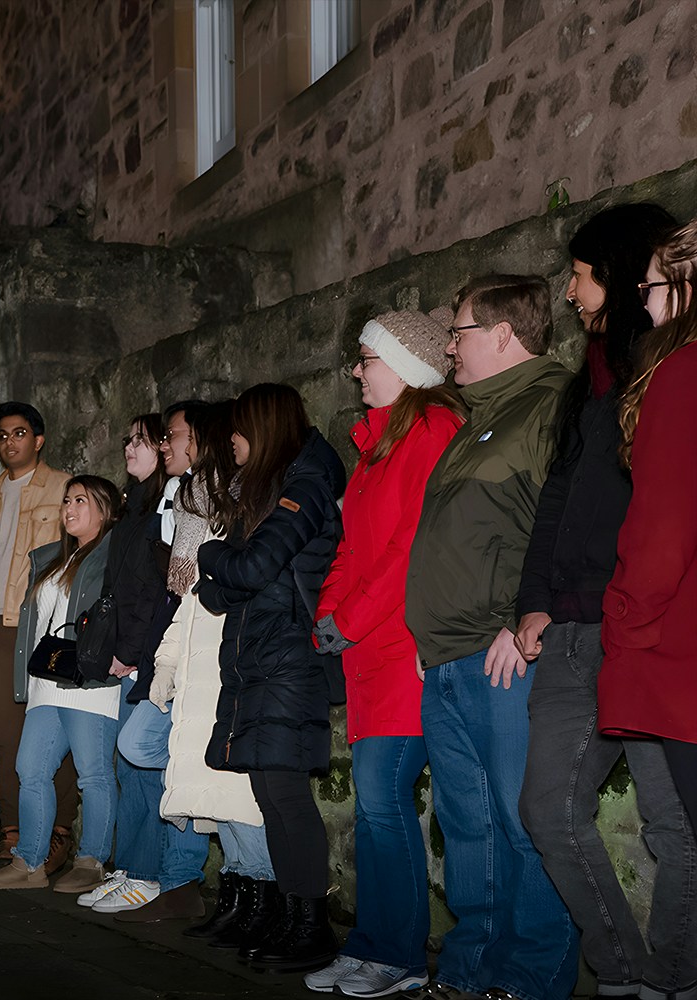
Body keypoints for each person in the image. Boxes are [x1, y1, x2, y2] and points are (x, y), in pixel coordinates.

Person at [514, 206, 697, 1000]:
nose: (568, 291)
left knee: (675, 824)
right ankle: (624, 971)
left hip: (644, 626)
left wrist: (625, 613)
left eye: (582, 274)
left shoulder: (669, 373)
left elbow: (661, 517)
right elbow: (556, 504)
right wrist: (532, 601)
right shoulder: (591, 387)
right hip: (578, 627)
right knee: (547, 808)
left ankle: (672, 978)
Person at [404, 275, 579, 1000]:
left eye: (459, 331)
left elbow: (562, 523)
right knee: (466, 825)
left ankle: (529, 980)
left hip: (503, 653)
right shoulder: (478, 418)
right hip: (446, 657)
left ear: (504, 335)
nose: (449, 347)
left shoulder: (551, 405)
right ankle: (472, 971)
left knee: (517, 823)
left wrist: (522, 618)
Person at [306, 310, 465, 996]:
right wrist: (327, 613)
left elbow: (413, 545)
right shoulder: (375, 448)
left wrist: (355, 617)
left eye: (366, 358)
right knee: (374, 805)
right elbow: (351, 546)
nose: (357, 370)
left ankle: (398, 957)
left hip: (404, 648)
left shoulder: (430, 429)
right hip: (369, 649)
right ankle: (372, 943)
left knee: (381, 797)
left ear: (404, 365)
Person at [195, 383, 346, 974]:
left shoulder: (304, 489)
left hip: (288, 658)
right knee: (268, 794)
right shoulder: (267, 494)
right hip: (260, 655)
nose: (231, 441)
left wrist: (210, 554)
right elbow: (221, 592)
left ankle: (312, 925)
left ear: (261, 428)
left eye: (237, 430)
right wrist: (224, 570)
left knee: (285, 795)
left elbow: (249, 566)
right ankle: (291, 915)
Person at [141, 401, 277, 939]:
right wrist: (169, 662)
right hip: (200, 660)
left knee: (235, 785)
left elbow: (207, 586)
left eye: (178, 436)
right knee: (213, 780)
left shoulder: (246, 505)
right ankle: (240, 892)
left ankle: (259, 896)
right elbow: (190, 596)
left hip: (233, 661)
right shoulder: (203, 506)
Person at [86, 406, 212, 919]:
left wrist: (133, 652)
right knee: (132, 764)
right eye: (131, 441)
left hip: (160, 652)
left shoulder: (180, 501)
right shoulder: (138, 506)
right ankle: (137, 866)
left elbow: (164, 591)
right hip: (143, 653)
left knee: (148, 760)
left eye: (151, 439)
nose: (139, 448)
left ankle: (166, 875)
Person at [0, 475, 123, 893]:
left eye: (81, 500)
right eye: (66, 501)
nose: (69, 508)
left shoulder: (114, 555)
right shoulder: (49, 559)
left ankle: (91, 860)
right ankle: (30, 863)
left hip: (90, 684)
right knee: (30, 768)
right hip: (47, 681)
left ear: (106, 511)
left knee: (93, 774)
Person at [601, 219, 697, 830]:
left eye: (652, 287)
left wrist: (625, 619)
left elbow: (665, 524)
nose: (647, 304)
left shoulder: (682, 373)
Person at [0, 402, 77, 872]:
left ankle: (57, 833)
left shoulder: (64, 488)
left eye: (20, 432)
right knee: (2, 735)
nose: (10, 441)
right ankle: (12, 833)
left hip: (42, 624)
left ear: (39, 439)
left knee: (54, 728)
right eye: (3, 435)